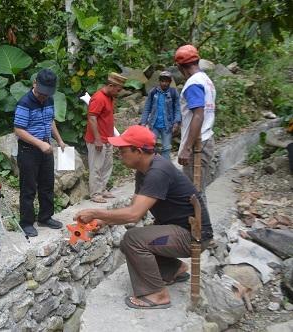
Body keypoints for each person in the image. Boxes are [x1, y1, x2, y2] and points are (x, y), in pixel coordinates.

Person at [74, 125, 213, 309]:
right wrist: (103, 220)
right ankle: (174, 270)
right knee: (128, 242)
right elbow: (136, 207)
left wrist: (96, 213)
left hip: (193, 236)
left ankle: (157, 294)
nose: (119, 154)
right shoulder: (144, 171)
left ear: (138, 151)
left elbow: (134, 215)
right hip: (180, 229)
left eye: (123, 150)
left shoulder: (158, 172)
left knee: (133, 239)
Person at [14, 68, 65, 237]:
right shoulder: (25, 103)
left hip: (46, 147)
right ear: (35, 83)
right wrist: (39, 144)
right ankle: (26, 222)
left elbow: (50, 121)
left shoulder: (49, 100)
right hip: (28, 150)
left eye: (47, 93)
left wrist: (59, 140)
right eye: (42, 92)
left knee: (47, 185)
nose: (44, 96)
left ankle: (45, 217)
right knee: (28, 188)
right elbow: (19, 130)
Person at [175, 45, 216, 203]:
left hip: (198, 145)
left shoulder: (193, 84)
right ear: (197, 61)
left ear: (180, 67)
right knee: (197, 191)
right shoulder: (206, 80)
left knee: (194, 193)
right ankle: (200, 226)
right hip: (205, 140)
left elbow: (198, 114)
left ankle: (202, 227)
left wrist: (187, 148)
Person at [84, 72, 127, 203]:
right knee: (96, 166)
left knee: (107, 165)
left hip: (108, 138)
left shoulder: (110, 97)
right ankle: (95, 193)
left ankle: (102, 189)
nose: (118, 92)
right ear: (110, 85)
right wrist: (97, 139)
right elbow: (92, 117)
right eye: (118, 90)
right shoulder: (99, 98)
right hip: (97, 139)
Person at [140, 71, 181, 160]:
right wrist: (143, 122)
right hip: (153, 124)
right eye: (162, 81)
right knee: (150, 146)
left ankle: (165, 168)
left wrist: (176, 122)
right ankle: (152, 166)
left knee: (166, 148)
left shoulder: (173, 93)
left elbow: (178, 108)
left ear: (170, 82)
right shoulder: (153, 92)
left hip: (167, 125)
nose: (164, 83)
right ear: (159, 81)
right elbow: (147, 108)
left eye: (166, 81)